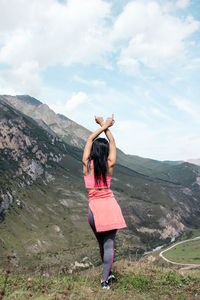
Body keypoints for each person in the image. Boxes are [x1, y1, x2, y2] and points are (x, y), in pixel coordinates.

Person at [82, 114, 127, 290]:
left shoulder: (86, 165)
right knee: (109, 245)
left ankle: (107, 274)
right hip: (109, 208)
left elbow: (89, 139)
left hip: (93, 211)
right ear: (106, 152)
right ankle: (104, 280)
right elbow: (113, 143)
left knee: (102, 244)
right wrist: (106, 126)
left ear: (93, 151)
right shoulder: (109, 164)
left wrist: (101, 125)